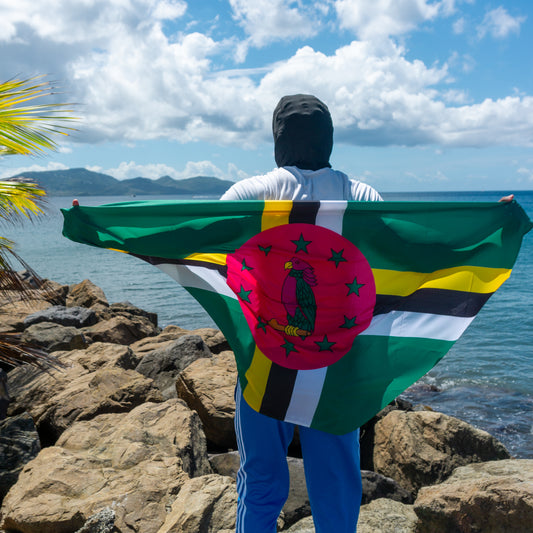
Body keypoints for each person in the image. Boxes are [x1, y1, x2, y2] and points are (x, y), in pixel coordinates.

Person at [221, 94, 382, 533]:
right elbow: (395, 260)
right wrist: (491, 220)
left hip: (265, 358)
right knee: (335, 486)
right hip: (335, 363)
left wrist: (107, 225)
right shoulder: (361, 195)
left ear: (278, 138)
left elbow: (201, 242)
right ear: (328, 138)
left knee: (260, 482)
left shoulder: (252, 193)